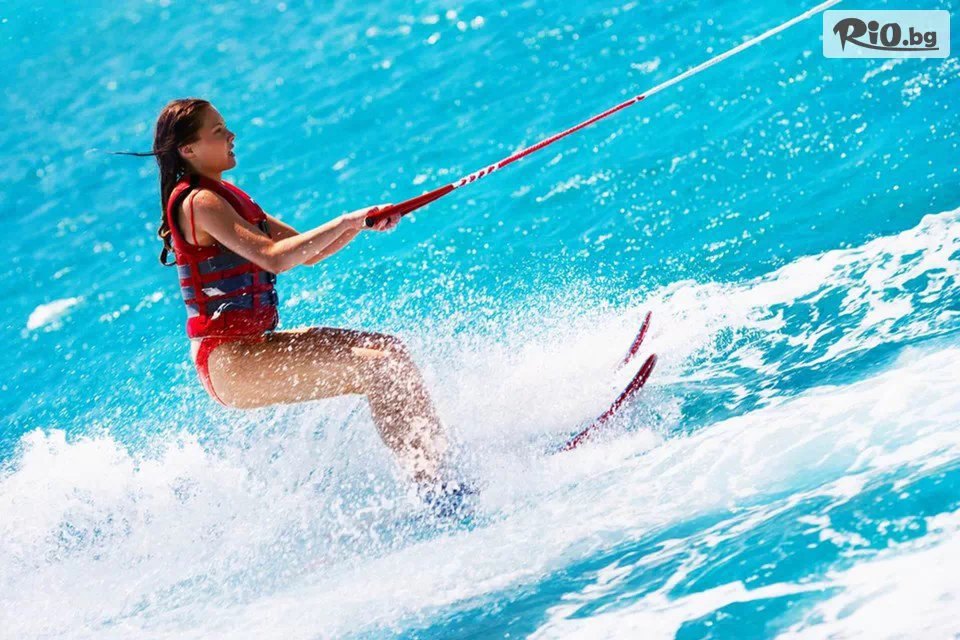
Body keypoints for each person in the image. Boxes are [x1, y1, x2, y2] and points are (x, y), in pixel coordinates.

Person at [120, 98, 467, 511]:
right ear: (188, 150)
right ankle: (437, 494)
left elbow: (309, 252)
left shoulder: (224, 196)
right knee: (379, 368)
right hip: (230, 362)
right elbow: (273, 258)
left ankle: (443, 476)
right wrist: (346, 221)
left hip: (253, 347)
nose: (231, 135)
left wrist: (363, 222)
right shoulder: (199, 202)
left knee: (388, 350)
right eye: (218, 131)